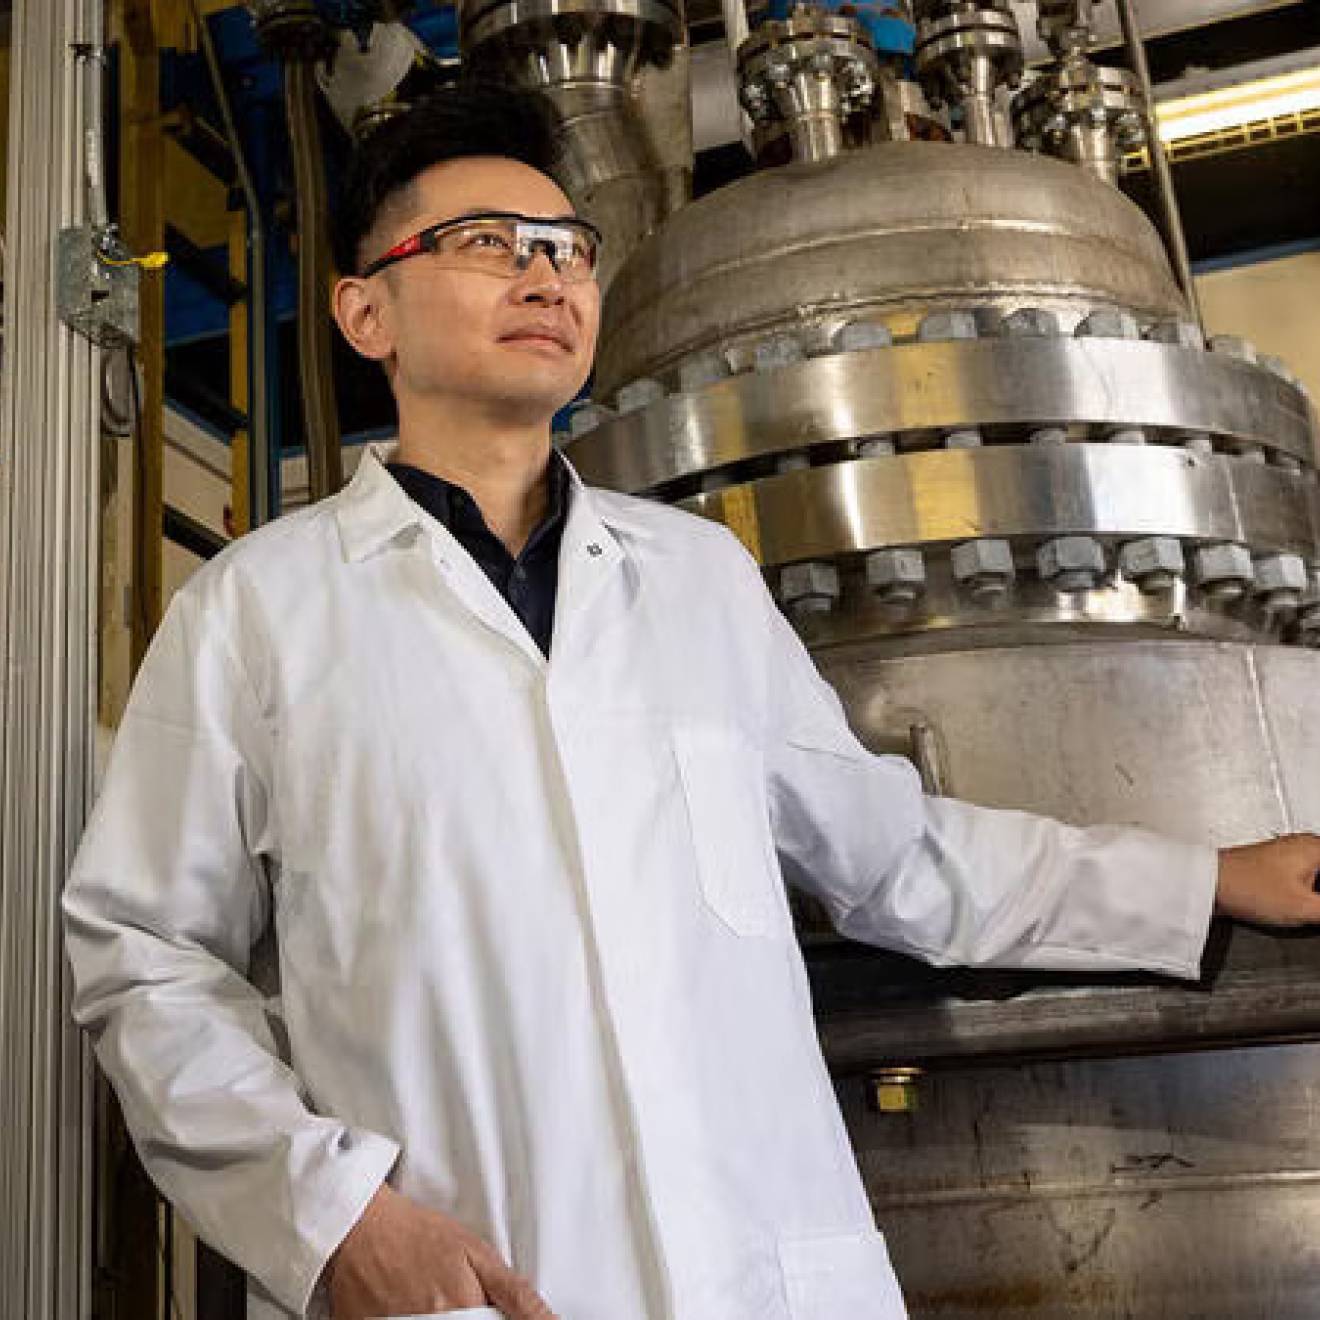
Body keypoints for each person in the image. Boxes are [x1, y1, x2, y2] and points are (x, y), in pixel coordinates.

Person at [63, 81, 1320, 1320]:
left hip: (763, 1275)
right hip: (486, 1278)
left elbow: (905, 860)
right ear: (365, 311)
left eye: (568, 249)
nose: (545, 276)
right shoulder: (261, 609)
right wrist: (332, 1219)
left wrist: (1202, 879)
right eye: (487, 244)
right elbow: (146, 953)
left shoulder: (698, 579)